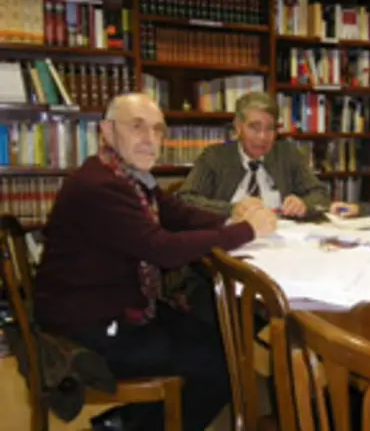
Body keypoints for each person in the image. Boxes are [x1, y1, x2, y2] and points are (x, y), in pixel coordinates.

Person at [33, 93, 277, 430]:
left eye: (158, 130)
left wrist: (230, 217)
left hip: (119, 306)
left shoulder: (124, 175)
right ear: (107, 130)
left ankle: (124, 422)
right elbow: (161, 248)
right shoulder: (101, 186)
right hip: (87, 326)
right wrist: (247, 230)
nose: (151, 140)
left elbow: (175, 212)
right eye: (137, 128)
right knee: (222, 366)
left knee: (219, 340)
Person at [178, 91, 330, 218]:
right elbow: (185, 200)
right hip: (230, 239)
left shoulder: (287, 154)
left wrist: (304, 205)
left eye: (270, 128)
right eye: (254, 128)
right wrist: (231, 210)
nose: (263, 137)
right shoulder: (214, 157)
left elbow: (320, 194)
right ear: (238, 127)